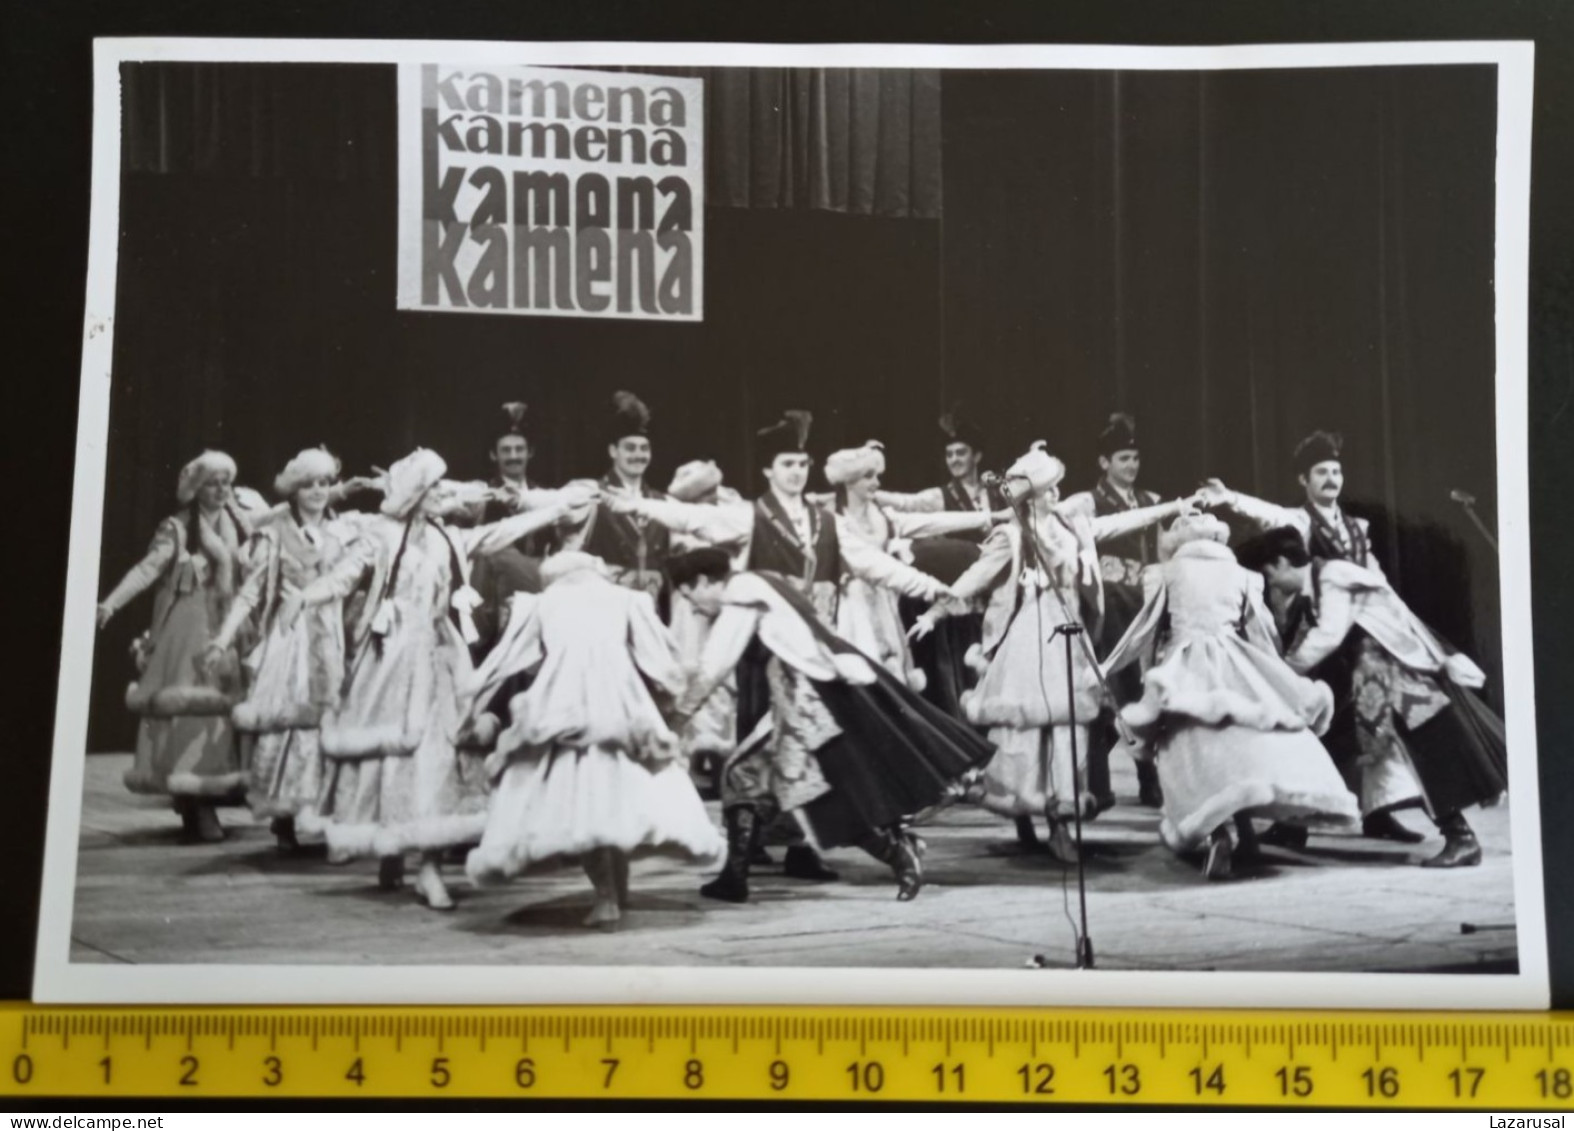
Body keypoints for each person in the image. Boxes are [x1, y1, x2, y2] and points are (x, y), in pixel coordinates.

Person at [285, 448, 596, 910]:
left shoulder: (445, 538)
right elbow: (345, 577)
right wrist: (305, 598)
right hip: (390, 658)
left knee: (437, 755)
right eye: (431, 488)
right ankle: (393, 849)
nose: (439, 495)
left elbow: (497, 533)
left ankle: (428, 865)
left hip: (439, 657)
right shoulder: (382, 535)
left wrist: (554, 510)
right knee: (391, 754)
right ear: (414, 492)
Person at [910, 442, 1195, 862]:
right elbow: (978, 573)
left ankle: (1062, 818)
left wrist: (1174, 506)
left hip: (1070, 631)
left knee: (1070, 727)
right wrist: (935, 611)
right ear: (1031, 495)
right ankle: (1027, 811)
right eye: (1048, 490)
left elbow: (1118, 524)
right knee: (1030, 724)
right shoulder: (1014, 534)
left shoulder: (1071, 525)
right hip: (1031, 632)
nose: (1056, 495)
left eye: (1057, 487)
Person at [671, 547, 995, 903]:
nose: (693, 607)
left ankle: (899, 852)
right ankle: (734, 878)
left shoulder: (741, 595)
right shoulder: (765, 580)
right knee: (756, 778)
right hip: (815, 692)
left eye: (689, 595)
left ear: (703, 581)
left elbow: (713, 667)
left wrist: (677, 718)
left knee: (814, 793)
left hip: (805, 699)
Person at [461, 550, 724, 931]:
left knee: (581, 801)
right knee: (615, 794)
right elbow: (659, 658)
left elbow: (508, 659)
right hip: (620, 699)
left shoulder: (541, 603)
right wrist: (670, 695)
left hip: (562, 700)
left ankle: (606, 896)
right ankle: (617, 888)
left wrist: (474, 695)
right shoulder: (626, 599)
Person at [1201, 430, 1429, 844]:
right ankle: (1294, 824)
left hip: (1364, 645)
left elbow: (1376, 579)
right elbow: (1268, 515)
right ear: (1304, 481)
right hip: (1324, 645)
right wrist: (1229, 497)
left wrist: (1404, 622)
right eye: (1321, 472)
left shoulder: (1357, 528)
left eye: (1336, 471)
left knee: (1369, 729)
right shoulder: (1301, 521)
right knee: (1311, 729)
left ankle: (1375, 814)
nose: (1331, 479)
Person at [1101, 515, 1360, 878]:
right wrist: (1273, 672)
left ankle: (1219, 834)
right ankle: (1247, 837)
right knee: (1236, 750)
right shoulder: (1244, 575)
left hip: (1185, 667)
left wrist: (1140, 675)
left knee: (1191, 757)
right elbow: (1261, 632)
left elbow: (1145, 630)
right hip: (1234, 663)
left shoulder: (1165, 573)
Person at [1235, 526, 1507, 868]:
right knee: (1331, 745)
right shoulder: (1318, 582)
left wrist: (1283, 675)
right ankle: (1292, 825)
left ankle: (1462, 838)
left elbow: (1328, 636)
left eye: (1269, 575)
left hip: (1392, 676)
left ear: (1280, 563)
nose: (1272, 585)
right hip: (1367, 677)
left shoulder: (1333, 576)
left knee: (1407, 755)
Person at [201, 447, 377, 851]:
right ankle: (283, 818)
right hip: (291, 639)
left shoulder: (344, 530)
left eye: (324, 484)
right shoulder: (275, 531)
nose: (317, 491)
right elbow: (250, 594)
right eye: (309, 484)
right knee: (289, 727)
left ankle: (331, 819)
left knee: (332, 726)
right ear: (294, 489)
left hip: (332, 635)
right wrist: (222, 640)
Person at [96, 451, 272, 843]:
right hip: (189, 629)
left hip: (229, 626)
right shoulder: (177, 529)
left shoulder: (241, 522)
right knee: (195, 715)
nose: (222, 490)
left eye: (226, 482)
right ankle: (198, 804)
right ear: (196, 488)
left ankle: (201, 800)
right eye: (213, 483)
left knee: (226, 718)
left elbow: (278, 523)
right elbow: (147, 570)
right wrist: (111, 603)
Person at [823, 439, 999, 691]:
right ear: (850, 482)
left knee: (894, 674)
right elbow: (876, 566)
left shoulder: (881, 517)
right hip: (853, 607)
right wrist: (932, 588)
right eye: (868, 477)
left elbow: (929, 522)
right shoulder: (838, 524)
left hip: (886, 605)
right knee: (864, 674)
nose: (876, 483)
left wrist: (986, 517)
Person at [1060, 413, 1165, 812]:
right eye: (1123, 459)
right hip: (1107, 608)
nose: (1131, 466)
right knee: (1109, 695)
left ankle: (1148, 778)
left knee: (1143, 693)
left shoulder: (1151, 501)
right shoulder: (1085, 502)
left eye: (1135, 459)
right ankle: (1097, 782)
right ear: (1104, 463)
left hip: (1143, 603)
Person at [463, 402, 558, 656]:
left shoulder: (544, 497)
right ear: (494, 455)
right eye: (506, 450)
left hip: (537, 596)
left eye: (519, 449)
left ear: (530, 453)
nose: (513, 456)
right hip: (493, 601)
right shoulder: (481, 495)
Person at [580, 390, 672, 608]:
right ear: (613, 451)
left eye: (644, 448)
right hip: (607, 605)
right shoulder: (595, 496)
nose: (638, 455)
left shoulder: (660, 501)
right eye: (629, 448)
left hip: (652, 607)